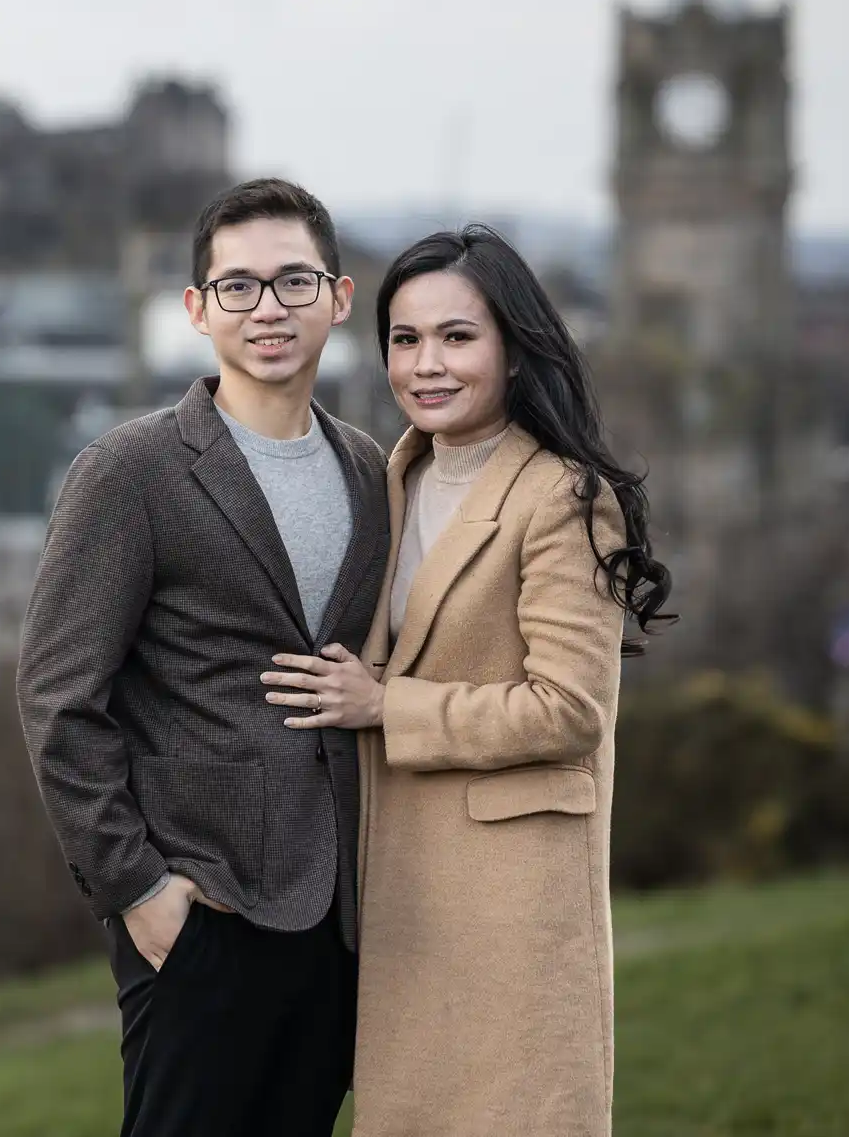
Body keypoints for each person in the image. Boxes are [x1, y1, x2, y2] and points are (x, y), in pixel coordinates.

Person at [260, 224, 673, 1136]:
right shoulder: (392, 475)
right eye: (405, 339)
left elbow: (570, 711)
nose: (427, 364)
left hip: (508, 901)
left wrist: (385, 705)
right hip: (402, 896)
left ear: (515, 351)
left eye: (457, 336)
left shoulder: (564, 496)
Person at [17, 178, 391, 1137]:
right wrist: (138, 890)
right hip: (202, 914)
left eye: (293, 281)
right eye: (240, 286)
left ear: (339, 299)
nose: (268, 307)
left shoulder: (373, 470)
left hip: (341, 921)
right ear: (197, 309)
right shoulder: (130, 472)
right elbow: (58, 698)